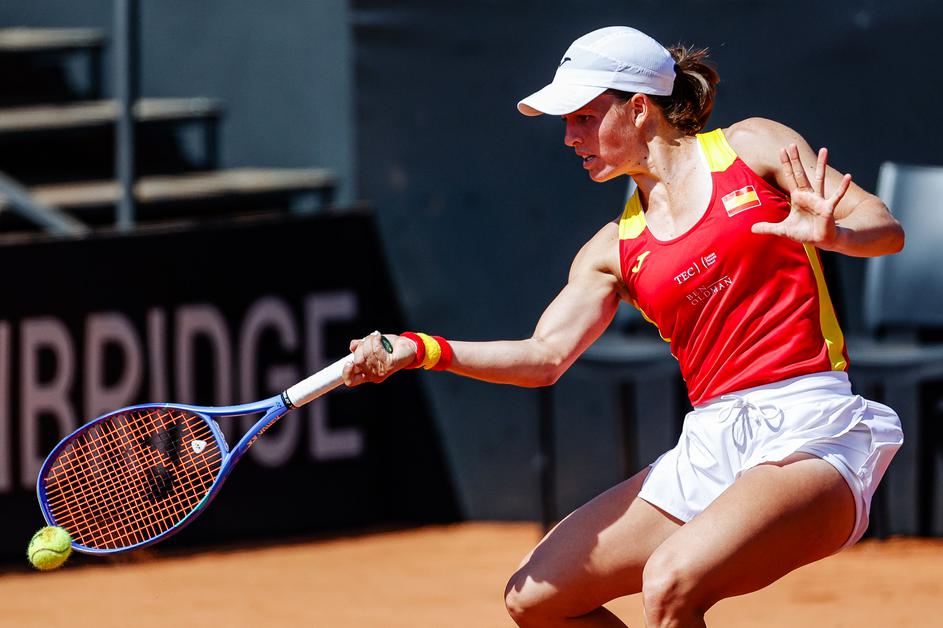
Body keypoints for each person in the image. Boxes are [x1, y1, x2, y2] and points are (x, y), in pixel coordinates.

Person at [344, 26, 905, 628]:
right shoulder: (611, 249)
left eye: (584, 118)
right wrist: (422, 349)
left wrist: (838, 235)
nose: (569, 137)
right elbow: (544, 356)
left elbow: (886, 228)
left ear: (639, 109)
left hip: (812, 430)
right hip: (710, 445)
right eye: (567, 123)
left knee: (668, 584)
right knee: (534, 600)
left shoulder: (752, 146)